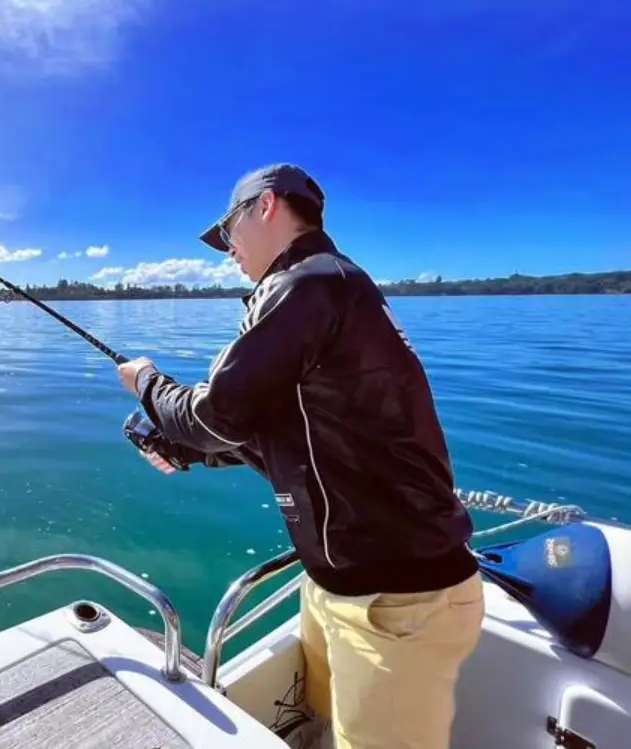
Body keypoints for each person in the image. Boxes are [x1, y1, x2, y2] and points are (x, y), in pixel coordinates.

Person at [116, 163, 484, 749]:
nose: (226, 249)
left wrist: (147, 383)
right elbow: (299, 433)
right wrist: (190, 452)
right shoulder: (330, 288)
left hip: (395, 601)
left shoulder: (308, 283)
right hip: (342, 586)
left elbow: (219, 417)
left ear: (265, 206)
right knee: (312, 726)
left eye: (228, 230)